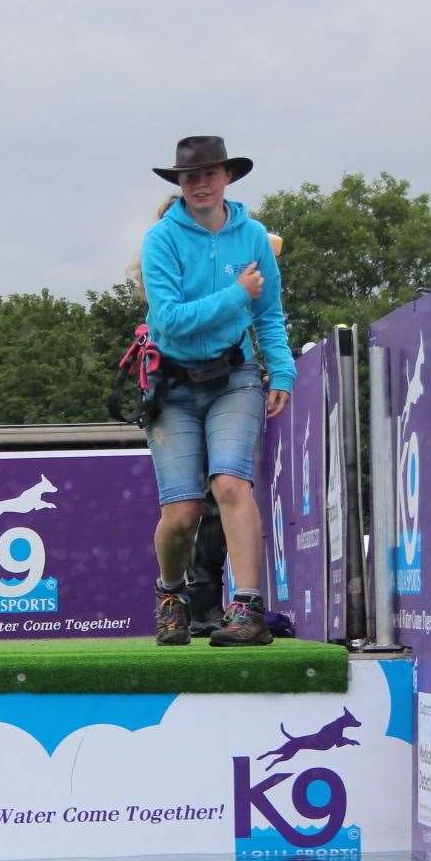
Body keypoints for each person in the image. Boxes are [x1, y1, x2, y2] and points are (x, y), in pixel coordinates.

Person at [140, 135, 295, 647]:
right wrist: (236, 295)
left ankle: (247, 606)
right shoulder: (161, 240)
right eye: (190, 177)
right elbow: (170, 322)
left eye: (209, 174)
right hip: (174, 386)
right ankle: (170, 594)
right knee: (182, 514)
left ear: (228, 177)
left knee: (232, 486)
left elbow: (269, 312)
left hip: (235, 377)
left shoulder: (251, 236)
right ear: (179, 185)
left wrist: (284, 370)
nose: (200, 184)